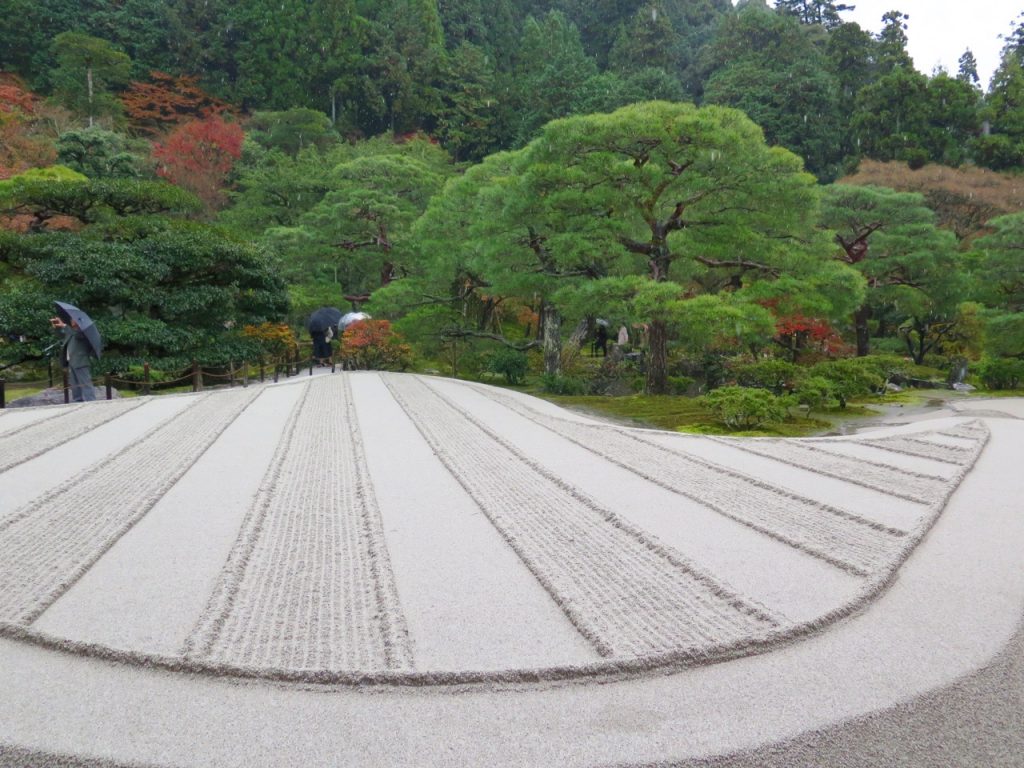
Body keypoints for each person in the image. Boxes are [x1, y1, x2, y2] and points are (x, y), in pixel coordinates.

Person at [51, 315, 97, 402]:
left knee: (85, 383)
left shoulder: (82, 332)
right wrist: (57, 327)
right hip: (71, 361)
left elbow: (77, 335)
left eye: (74, 319)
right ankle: (78, 401)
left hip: (81, 362)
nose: (72, 320)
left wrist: (64, 325)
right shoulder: (71, 332)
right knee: (74, 385)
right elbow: (61, 336)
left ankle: (91, 401)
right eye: (71, 319)